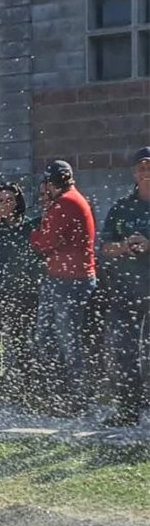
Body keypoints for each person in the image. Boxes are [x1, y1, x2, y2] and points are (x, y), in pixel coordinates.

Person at [30, 159, 97, 417]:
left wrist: (32, 234)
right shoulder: (70, 199)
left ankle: (74, 399)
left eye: (46, 183)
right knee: (53, 338)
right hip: (66, 280)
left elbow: (43, 242)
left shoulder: (65, 204)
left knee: (65, 342)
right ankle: (63, 396)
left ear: (51, 183)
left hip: (68, 282)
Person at [0, 183, 43, 403]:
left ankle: (26, 389)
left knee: (21, 341)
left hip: (20, 293)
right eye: (1, 201)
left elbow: (29, 256)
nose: (5, 204)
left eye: (9, 200)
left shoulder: (27, 227)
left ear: (18, 203)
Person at [99, 146, 150, 427]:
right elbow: (105, 247)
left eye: (149, 166)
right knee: (122, 351)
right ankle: (127, 410)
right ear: (134, 172)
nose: (146, 172)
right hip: (126, 291)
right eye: (141, 167)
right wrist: (125, 246)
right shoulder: (121, 207)